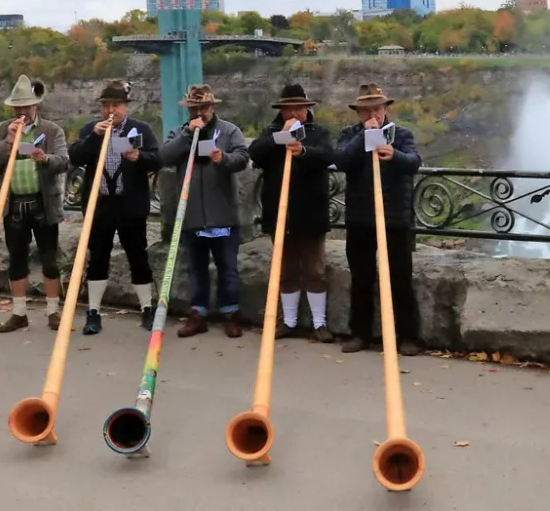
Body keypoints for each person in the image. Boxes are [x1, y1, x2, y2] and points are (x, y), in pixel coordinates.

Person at [333, 83, 424, 356]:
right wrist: (365, 137)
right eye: (366, 110)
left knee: (399, 278)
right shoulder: (349, 135)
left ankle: (407, 336)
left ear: (385, 109)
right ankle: (360, 334)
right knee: (361, 278)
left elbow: (414, 162)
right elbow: (341, 161)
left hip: (394, 218)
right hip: (360, 219)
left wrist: (394, 155)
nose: (373, 113)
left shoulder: (402, 134)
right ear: (359, 113)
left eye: (377, 108)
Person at [68, 80, 161, 335]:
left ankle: (147, 309)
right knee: (98, 258)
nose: (111, 110)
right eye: (106, 105)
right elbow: (74, 157)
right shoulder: (91, 130)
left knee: (138, 257)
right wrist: (94, 137)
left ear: (125, 107)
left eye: (116, 105)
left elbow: (158, 159)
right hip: (100, 205)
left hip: (130, 204)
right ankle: (94, 311)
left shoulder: (140, 129)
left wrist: (138, 157)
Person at [159, 84, 250, 338]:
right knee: (196, 269)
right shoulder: (180, 132)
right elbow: (165, 156)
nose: (200, 112)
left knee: (227, 268)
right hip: (192, 216)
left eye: (204, 107)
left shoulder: (229, 131)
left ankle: (231, 314)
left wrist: (224, 159)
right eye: (195, 108)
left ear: (213, 107)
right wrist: (188, 135)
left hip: (223, 214)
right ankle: (197, 314)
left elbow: (243, 157)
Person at [0, 75, 70, 333]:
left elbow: (64, 161)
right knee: (17, 259)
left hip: (43, 204)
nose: (22, 112)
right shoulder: (2, 129)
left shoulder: (52, 130)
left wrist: (45, 159)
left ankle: (53, 311)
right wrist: (9, 141)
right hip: (14, 205)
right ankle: (19, 313)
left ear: (36, 106)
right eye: (17, 108)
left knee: (49, 259)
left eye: (26, 107)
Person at [247, 84, 335, 343]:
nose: (296, 113)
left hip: (311, 211)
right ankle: (289, 321)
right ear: (282, 110)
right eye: (290, 108)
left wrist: (303, 151)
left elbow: (329, 155)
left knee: (315, 269)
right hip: (280, 213)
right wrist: (280, 138)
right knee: (286, 269)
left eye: (301, 108)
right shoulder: (271, 132)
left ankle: (319, 323)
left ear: (308, 109)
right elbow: (255, 154)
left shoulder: (318, 133)